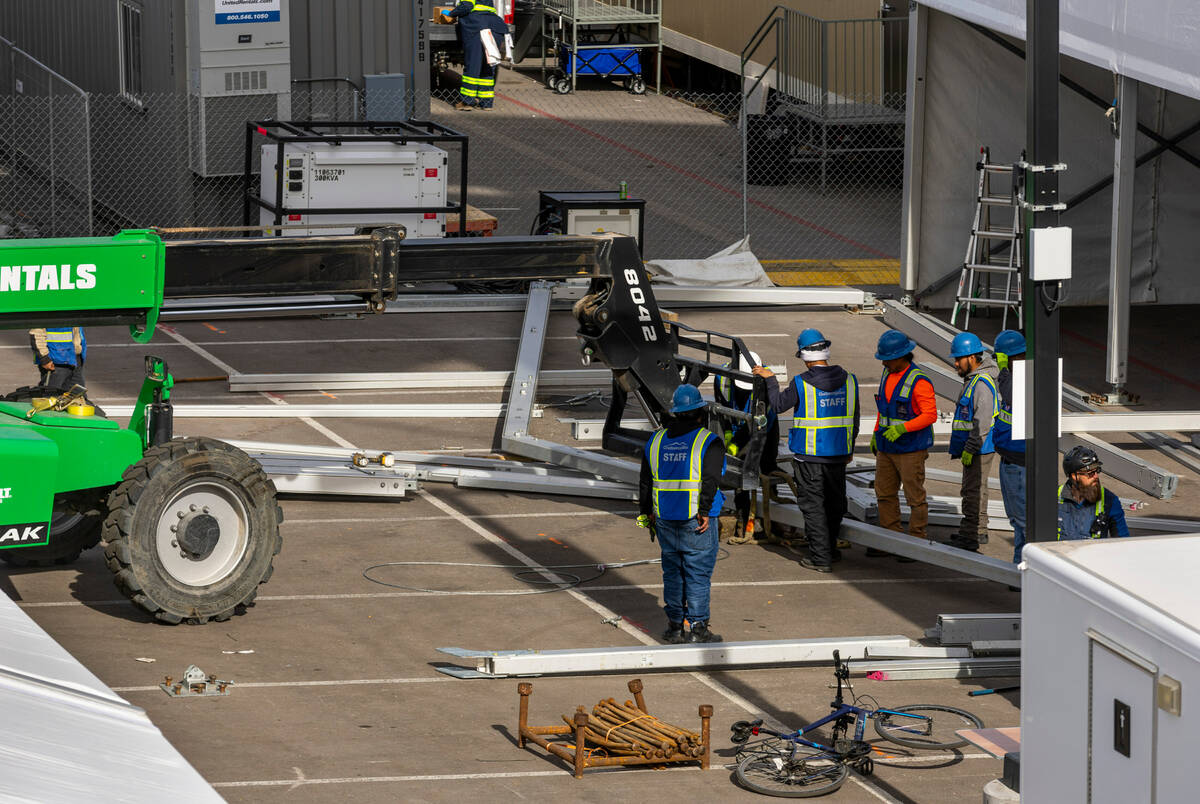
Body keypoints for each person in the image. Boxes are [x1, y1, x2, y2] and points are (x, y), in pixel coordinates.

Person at [753, 328, 858, 573]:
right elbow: (854, 418)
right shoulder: (850, 380)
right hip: (839, 455)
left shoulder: (802, 383)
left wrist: (770, 379)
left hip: (810, 457)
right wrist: (849, 448)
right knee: (834, 505)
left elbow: (778, 406)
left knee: (813, 507)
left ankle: (821, 558)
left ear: (804, 356)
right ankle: (830, 550)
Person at [638, 383, 725, 644]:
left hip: (664, 518)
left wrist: (647, 513)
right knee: (697, 574)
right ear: (700, 412)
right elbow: (711, 480)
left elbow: (645, 482)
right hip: (697, 520)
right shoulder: (708, 441)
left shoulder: (655, 440)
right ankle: (698, 628)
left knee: (673, 574)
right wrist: (705, 511)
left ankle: (675, 627)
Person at [869, 329, 937, 562]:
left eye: (887, 359)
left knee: (914, 496)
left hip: (910, 448)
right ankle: (891, 538)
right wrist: (876, 432)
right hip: (887, 448)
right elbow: (884, 408)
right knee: (884, 493)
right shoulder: (887, 375)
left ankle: (916, 540)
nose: (884, 363)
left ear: (902, 356)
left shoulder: (919, 382)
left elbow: (930, 415)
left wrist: (902, 428)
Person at [714, 350, 779, 543]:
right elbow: (722, 409)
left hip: (765, 423)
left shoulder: (766, 382)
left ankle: (774, 519)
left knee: (767, 466)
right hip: (736, 422)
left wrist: (735, 444)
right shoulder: (722, 378)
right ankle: (743, 524)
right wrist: (727, 435)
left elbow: (756, 423)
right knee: (739, 471)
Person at [947, 331, 999, 553]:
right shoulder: (974, 380)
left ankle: (971, 535)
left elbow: (982, 421)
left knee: (972, 491)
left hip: (979, 447)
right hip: (977, 446)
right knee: (977, 488)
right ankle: (977, 529)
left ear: (972, 358)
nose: (956, 364)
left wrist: (971, 447)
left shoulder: (981, 384)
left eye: (959, 359)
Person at [992, 329, 1027, 562]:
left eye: (1000, 357)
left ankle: (1022, 564)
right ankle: (1020, 563)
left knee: (1022, 519)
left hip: (1019, 463)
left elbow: (1012, 394)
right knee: (1016, 518)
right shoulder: (1016, 378)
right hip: (1010, 460)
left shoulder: (1021, 381)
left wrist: (1004, 371)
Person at [1057, 446, 1130, 540]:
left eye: (1097, 471)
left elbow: (1122, 542)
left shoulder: (1110, 500)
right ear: (1074, 476)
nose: (1096, 476)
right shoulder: (1053, 498)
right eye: (1090, 473)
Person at [443, 2, 506, 111]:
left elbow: (467, 6)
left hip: (477, 27)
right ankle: (486, 103)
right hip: (496, 26)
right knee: (488, 65)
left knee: (473, 65)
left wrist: (452, 13)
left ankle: (467, 102)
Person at [29, 326, 87, 392]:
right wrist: (44, 359)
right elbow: (37, 334)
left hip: (74, 360)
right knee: (51, 395)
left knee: (77, 396)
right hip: (55, 363)